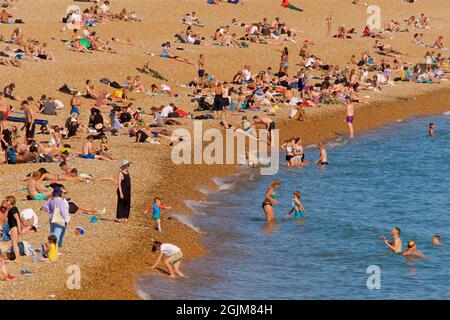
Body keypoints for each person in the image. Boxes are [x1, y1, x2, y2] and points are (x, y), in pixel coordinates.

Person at [42, 186, 70, 251]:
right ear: (59, 193)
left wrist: (50, 212)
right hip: (59, 219)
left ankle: (52, 248)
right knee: (57, 235)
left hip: (52, 218)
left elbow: (45, 207)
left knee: (52, 233)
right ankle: (53, 250)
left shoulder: (50, 199)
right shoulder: (61, 200)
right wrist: (66, 219)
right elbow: (62, 211)